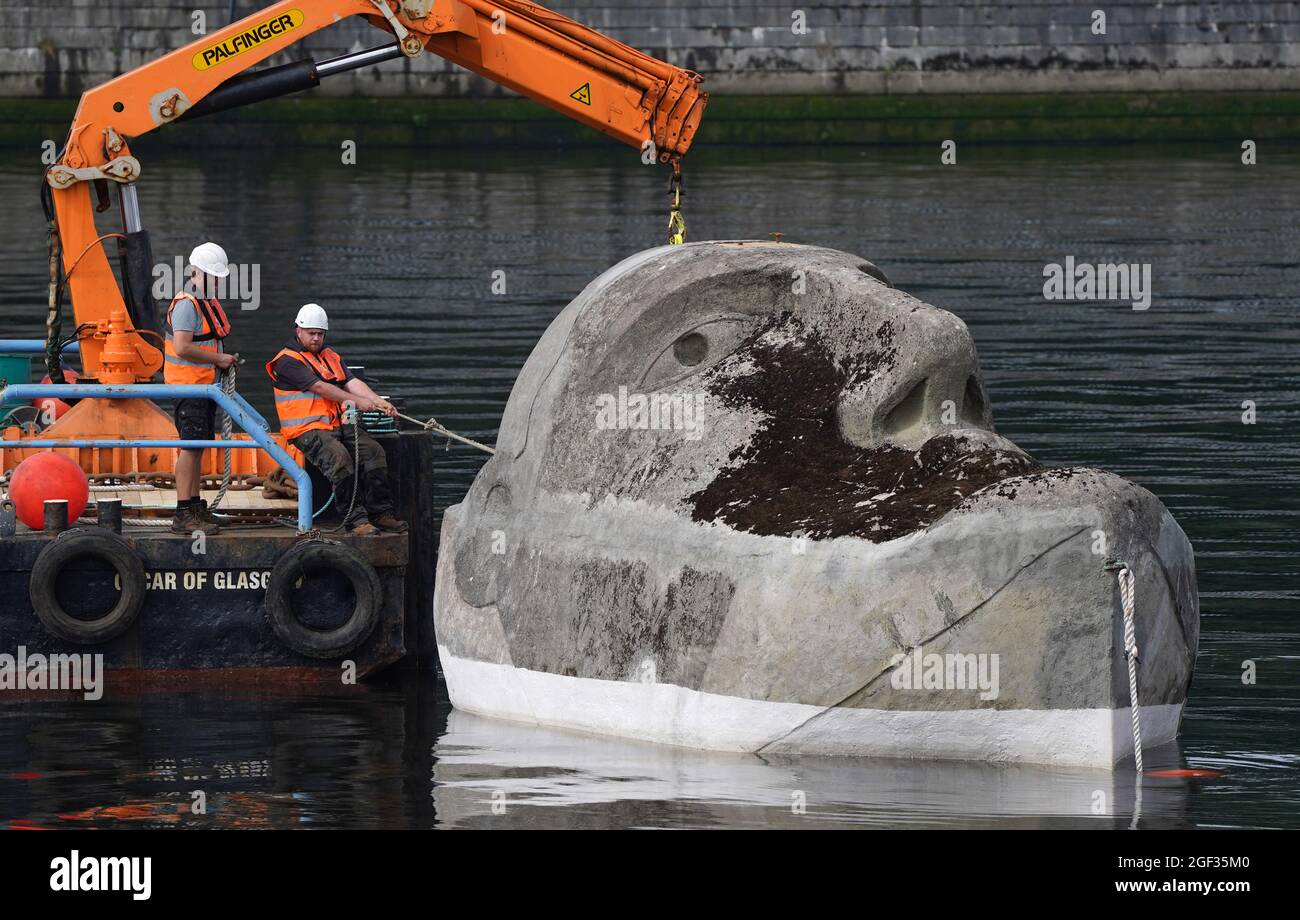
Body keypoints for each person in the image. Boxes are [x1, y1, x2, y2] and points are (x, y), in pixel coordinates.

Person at [265, 304, 407, 536]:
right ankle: (356, 519)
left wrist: (376, 400)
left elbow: (352, 382)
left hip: (335, 424)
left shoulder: (330, 356)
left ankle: (381, 513)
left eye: (320, 334)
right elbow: (321, 387)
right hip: (306, 429)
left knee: (374, 452)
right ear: (298, 331)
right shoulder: (287, 361)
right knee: (339, 459)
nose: (316, 338)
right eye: (311, 333)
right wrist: (356, 401)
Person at [166, 241, 237, 535]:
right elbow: (182, 347)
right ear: (197, 273)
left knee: (197, 448)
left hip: (204, 388)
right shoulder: (187, 304)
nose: (217, 282)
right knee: (190, 449)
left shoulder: (204, 302)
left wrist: (220, 365)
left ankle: (195, 506)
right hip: (189, 388)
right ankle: (184, 512)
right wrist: (219, 358)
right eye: (212, 276)